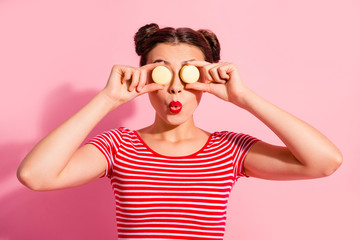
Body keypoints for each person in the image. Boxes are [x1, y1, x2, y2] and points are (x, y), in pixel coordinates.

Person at [17, 23, 343, 239]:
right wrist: (106, 99)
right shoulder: (118, 145)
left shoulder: (229, 149)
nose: (174, 88)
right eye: (161, 73)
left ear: (207, 79)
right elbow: (35, 175)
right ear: (144, 77)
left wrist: (244, 98)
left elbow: (325, 162)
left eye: (186, 75)